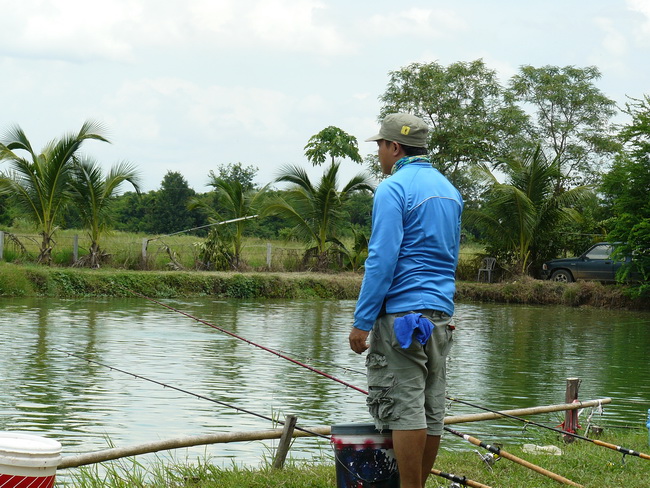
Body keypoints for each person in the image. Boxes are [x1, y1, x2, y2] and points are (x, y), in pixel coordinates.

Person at [349, 113, 463, 488]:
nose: (379, 153)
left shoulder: (393, 188)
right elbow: (448, 255)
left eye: (380, 145)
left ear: (394, 147)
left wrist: (362, 320)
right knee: (430, 408)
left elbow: (382, 258)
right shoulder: (449, 190)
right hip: (440, 316)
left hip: (401, 316)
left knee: (402, 408)